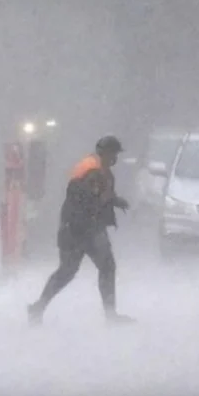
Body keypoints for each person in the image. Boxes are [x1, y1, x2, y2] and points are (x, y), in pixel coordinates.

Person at [28, 135, 133, 325]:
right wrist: (104, 206)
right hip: (81, 229)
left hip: (83, 228)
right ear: (105, 153)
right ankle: (110, 315)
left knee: (84, 269)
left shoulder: (100, 170)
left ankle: (39, 308)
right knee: (75, 270)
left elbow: (100, 196)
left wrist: (115, 201)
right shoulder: (93, 171)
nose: (115, 158)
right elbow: (88, 200)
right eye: (113, 154)